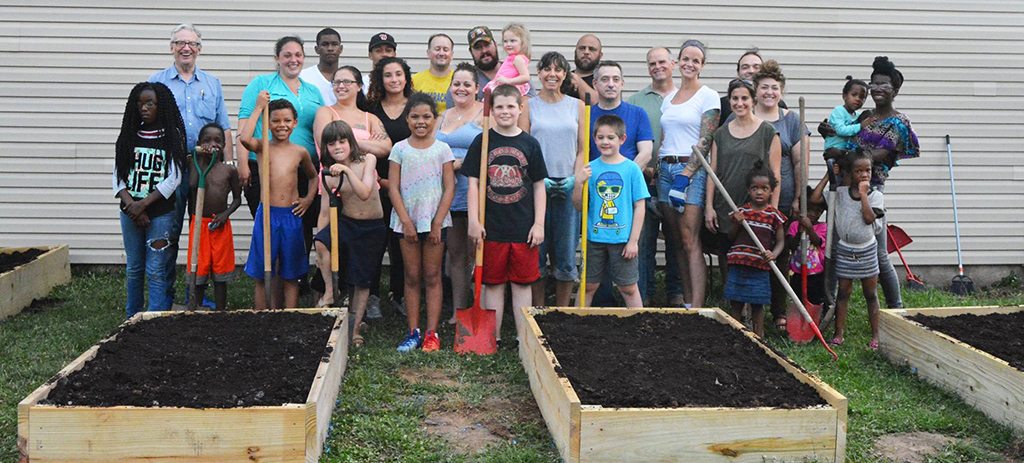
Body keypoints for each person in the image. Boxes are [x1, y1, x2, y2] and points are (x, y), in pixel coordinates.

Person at [148, 23, 233, 307]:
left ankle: (196, 294)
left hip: (205, 171)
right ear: (171, 47)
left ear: (199, 49)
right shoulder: (157, 83)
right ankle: (166, 297)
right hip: (170, 169)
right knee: (169, 232)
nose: (186, 48)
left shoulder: (212, 84)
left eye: (192, 43)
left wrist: (229, 164)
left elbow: (224, 128)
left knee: (204, 230)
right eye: (180, 42)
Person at [462, 84, 548, 348]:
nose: (505, 111)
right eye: (499, 106)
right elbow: (474, 184)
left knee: (522, 285)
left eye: (511, 106)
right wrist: (474, 221)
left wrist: (539, 223)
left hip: (523, 227)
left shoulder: (529, 143)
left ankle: (523, 337)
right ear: (491, 110)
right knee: (494, 283)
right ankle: (492, 336)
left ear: (521, 109)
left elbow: (538, 186)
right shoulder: (483, 141)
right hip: (492, 227)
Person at [236, 36, 324, 290]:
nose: (293, 60)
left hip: (302, 166)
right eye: (287, 55)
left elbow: (319, 128)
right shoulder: (262, 84)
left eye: (298, 55)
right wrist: (243, 164)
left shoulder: (312, 91)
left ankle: (296, 282)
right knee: (268, 232)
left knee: (301, 228)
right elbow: (244, 124)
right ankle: (272, 288)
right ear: (277, 59)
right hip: (263, 166)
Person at [844, 56, 919, 310]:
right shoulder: (864, 116)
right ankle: (833, 304)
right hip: (846, 189)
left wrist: (846, 156)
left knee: (878, 251)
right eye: (874, 83)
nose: (877, 88)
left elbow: (880, 155)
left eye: (883, 84)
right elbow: (846, 136)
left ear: (895, 91)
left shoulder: (898, 122)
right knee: (837, 246)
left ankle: (896, 308)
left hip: (872, 189)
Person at [114, 82, 187, 317]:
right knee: (134, 268)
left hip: (160, 214)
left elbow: (174, 178)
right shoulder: (128, 135)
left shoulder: (171, 136)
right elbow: (118, 177)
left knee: (156, 268)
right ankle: (132, 316)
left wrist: (143, 204)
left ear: (161, 106)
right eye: (140, 103)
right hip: (130, 212)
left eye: (150, 104)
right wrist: (132, 206)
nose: (144, 108)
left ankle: (155, 317)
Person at [389, 93, 456, 353]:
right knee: (412, 275)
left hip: (435, 220)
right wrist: (405, 221)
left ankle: (432, 333)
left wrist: (438, 221)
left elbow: (449, 187)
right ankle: (413, 332)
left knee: (432, 275)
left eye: (426, 116)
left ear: (435, 119)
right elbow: (393, 188)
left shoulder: (442, 149)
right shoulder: (399, 149)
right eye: (415, 116)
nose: (420, 121)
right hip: (405, 221)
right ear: (407, 119)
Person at [519, 51, 586, 307]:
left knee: (566, 250)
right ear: (539, 73)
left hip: (568, 184)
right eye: (547, 69)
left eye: (558, 70)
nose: (552, 74)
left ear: (565, 75)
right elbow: (524, 145)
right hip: (538, 185)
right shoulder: (529, 105)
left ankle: (561, 310)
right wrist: (538, 178)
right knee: (537, 248)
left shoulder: (576, 105)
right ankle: (538, 310)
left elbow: (582, 149)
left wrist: (575, 178)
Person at [239, 95, 318, 310]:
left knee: (290, 272)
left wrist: (308, 199)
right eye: (275, 121)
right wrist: (258, 108)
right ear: (268, 124)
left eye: (286, 120)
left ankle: (289, 316)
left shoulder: (300, 152)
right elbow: (244, 138)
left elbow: (313, 177)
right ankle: (264, 314)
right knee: (264, 270)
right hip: (267, 215)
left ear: (295, 123)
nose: (281, 125)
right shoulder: (263, 146)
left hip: (291, 216)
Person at [657, 40, 720, 309]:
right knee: (674, 240)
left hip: (691, 171)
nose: (689, 64)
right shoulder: (668, 99)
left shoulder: (708, 95)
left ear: (702, 66)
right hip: (665, 169)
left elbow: (706, 139)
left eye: (696, 60)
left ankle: (697, 305)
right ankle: (684, 298)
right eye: (685, 59)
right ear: (677, 62)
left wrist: (685, 175)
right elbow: (664, 138)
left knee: (689, 238)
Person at [746, 59, 809, 328]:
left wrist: (797, 197)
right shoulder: (745, 116)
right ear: (755, 90)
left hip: (782, 197)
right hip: (749, 197)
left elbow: (799, 161)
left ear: (781, 91)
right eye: (763, 87)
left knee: (779, 253)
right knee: (750, 250)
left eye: (774, 87)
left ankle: (779, 311)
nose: (769, 92)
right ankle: (749, 307)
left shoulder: (791, 120)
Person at [314, 121, 388, 346]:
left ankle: (354, 330)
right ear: (325, 147)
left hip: (371, 228)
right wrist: (320, 240)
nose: (337, 146)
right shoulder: (327, 174)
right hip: (346, 224)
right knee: (321, 242)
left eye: (342, 141)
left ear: (350, 143)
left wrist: (346, 170)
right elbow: (325, 212)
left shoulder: (367, 160)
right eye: (331, 143)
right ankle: (329, 291)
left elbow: (365, 192)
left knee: (361, 280)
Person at [587, 60, 653, 306]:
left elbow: (646, 150)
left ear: (623, 83)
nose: (610, 84)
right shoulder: (586, 114)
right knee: (592, 278)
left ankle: (636, 316)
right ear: (595, 84)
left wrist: (625, 174)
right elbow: (580, 151)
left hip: (625, 202)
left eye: (615, 79)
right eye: (604, 79)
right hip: (594, 202)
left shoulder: (636, 113)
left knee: (629, 274)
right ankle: (598, 312)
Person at [705, 79, 781, 289]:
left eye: (744, 98)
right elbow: (713, 172)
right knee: (727, 254)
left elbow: (776, 175)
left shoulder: (767, 132)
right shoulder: (720, 134)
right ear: (729, 101)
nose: (740, 103)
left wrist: (771, 211)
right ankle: (732, 303)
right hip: (726, 205)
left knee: (753, 256)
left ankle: (752, 304)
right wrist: (709, 207)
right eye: (735, 99)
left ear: (753, 100)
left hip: (756, 207)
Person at [627, 46, 684, 306]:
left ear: (673, 64)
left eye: (662, 62)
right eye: (652, 63)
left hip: (678, 179)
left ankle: (676, 292)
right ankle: (644, 293)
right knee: (644, 240)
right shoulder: (636, 101)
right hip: (645, 180)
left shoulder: (686, 97)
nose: (657, 67)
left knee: (677, 240)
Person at [573, 115, 649, 308]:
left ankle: (639, 325)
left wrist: (633, 241)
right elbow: (578, 206)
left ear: (622, 139)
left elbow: (640, 206)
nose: (605, 142)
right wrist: (578, 183)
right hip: (594, 238)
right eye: (600, 137)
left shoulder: (632, 169)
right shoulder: (589, 169)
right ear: (594, 138)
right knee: (588, 285)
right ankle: (578, 322)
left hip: (622, 239)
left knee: (629, 287)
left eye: (611, 137)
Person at [816, 149, 883, 348]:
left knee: (870, 294)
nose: (864, 175)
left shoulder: (875, 196)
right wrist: (829, 175)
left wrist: (863, 195)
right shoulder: (841, 194)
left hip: (866, 250)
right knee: (843, 293)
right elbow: (815, 199)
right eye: (858, 171)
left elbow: (869, 218)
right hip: (846, 249)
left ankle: (876, 336)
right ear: (849, 174)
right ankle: (838, 333)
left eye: (868, 171)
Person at [435, 62, 484, 323]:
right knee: (455, 255)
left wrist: (457, 164)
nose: (461, 88)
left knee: (476, 252)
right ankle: (458, 311)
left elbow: (489, 151)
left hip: (476, 196)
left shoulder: (485, 115)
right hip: (449, 196)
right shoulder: (443, 116)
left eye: (467, 84)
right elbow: (432, 149)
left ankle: (478, 308)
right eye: (457, 84)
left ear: (477, 88)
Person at [368, 56, 414, 316]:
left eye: (398, 74)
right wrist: (379, 181)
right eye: (388, 75)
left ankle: (400, 295)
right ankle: (372, 296)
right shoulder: (371, 109)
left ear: (406, 78)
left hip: (409, 188)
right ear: (380, 79)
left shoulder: (416, 107)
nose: (394, 79)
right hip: (374, 186)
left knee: (402, 244)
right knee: (375, 241)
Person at [723, 161, 786, 337]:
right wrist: (737, 222)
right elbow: (730, 237)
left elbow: (780, 242)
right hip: (738, 264)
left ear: (771, 190)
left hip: (760, 266)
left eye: (764, 188)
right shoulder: (741, 211)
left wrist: (774, 254)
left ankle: (758, 337)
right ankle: (734, 334)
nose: (759, 192)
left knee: (758, 304)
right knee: (735, 303)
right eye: (755, 188)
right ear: (748, 190)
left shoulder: (774, 215)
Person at [186, 123, 241, 311]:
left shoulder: (229, 171)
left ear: (225, 144)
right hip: (199, 225)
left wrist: (225, 214)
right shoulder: (194, 163)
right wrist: (201, 158)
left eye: (218, 141)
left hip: (220, 225)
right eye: (207, 140)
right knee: (198, 268)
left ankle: (220, 311)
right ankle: (196, 306)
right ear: (200, 143)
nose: (213, 144)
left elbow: (237, 199)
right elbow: (193, 183)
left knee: (220, 272)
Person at [312, 66, 391, 159]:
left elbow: (386, 148)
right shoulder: (325, 112)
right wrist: (367, 143)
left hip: (367, 173)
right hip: (335, 172)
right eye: (337, 82)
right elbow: (325, 144)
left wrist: (345, 141)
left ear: (359, 86)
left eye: (347, 82)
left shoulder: (370, 118)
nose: (341, 86)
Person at [718, 48, 787, 127]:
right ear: (738, 72)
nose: (751, 71)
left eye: (756, 67)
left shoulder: (777, 103)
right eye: (745, 67)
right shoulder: (725, 103)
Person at [787, 186, 827, 309]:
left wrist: (809, 228)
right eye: (810, 210)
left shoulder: (823, 227)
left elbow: (817, 242)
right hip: (798, 271)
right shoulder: (794, 225)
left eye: (818, 211)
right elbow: (791, 246)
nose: (813, 214)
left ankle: (814, 317)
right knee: (798, 298)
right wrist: (799, 232)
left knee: (815, 299)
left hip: (816, 273)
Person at [824, 77, 871, 154]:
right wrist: (860, 126)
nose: (858, 99)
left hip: (846, 152)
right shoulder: (839, 111)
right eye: (854, 95)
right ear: (844, 96)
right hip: (833, 151)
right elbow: (840, 130)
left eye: (862, 97)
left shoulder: (858, 116)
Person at [482, 23, 531, 96]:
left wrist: (508, 81)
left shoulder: (518, 59)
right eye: (505, 41)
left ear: (522, 43)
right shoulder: (511, 58)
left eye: (513, 41)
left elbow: (526, 77)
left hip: (509, 89)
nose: (508, 44)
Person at [300, 28, 343, 106]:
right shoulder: (303, 77)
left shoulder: (349, 78)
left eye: (334, 44)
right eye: (325, 44)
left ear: (341, 49)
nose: (330, 48)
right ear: (317, 49)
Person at [412, 34, 454, 112]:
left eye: (445, 49)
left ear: (451, 55)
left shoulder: (459, 81)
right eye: (437, 49)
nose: (441, 53)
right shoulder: (414, 81)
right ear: (428, 53)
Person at [566, 34, 601, 104]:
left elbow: (600, 104)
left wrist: (577, 79)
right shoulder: (564, 78)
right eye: (582, 48)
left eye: (592, 49)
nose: (586, 52)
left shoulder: (605, 79)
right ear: (575, 52)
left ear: (600, 55)